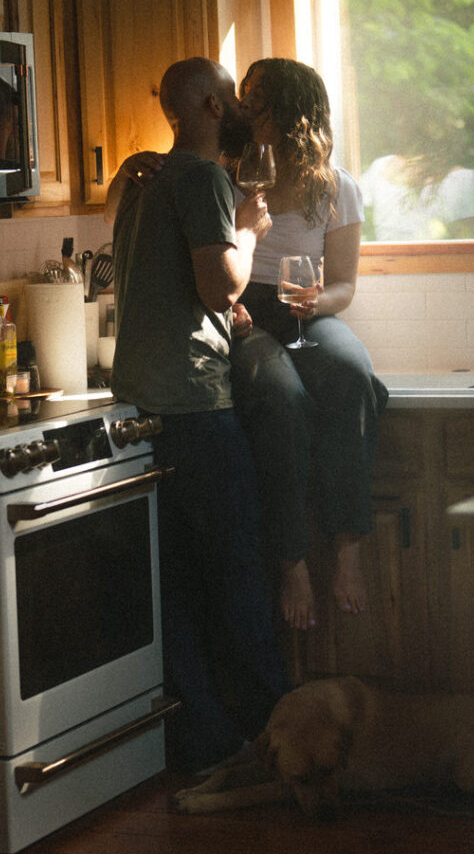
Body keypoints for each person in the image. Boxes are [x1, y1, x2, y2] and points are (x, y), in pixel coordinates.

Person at [117, 58, 388, 634]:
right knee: (281, 398)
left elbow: (344, 284)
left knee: (354, 375)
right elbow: (200, 237)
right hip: (243, 314)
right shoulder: (228, 171)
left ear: (292, 111)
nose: (244, 106)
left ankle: (348, 548)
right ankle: (292, 563)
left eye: (257, 98)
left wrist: (317, 303)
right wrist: (137, 166)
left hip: (304, 306)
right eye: (241, 95)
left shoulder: (338, 188)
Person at [103, 57, 288, 773]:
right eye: (231, 94)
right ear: (210, 105)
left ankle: (208, 743)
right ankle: (279, 740)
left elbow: (174, 285)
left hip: (142, 398)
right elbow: (217, 284)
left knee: (174, 585)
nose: (239, 104)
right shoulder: (204, 178)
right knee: (239, 569)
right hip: (192, 402)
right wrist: (247, 231)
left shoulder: (144, 185)